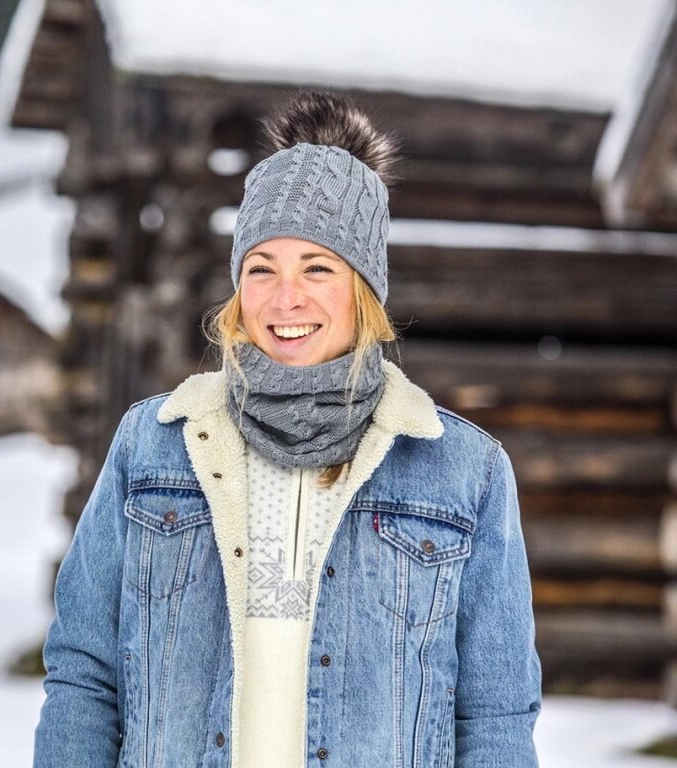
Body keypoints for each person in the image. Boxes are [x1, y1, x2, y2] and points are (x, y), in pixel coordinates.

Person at [34, 90, 542, 768]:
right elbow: (84, 675)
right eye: (262, 269)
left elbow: (496, 713)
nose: (285, 298)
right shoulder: (154, 445)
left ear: (363, 289)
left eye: (317, 268)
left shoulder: (463, 471)